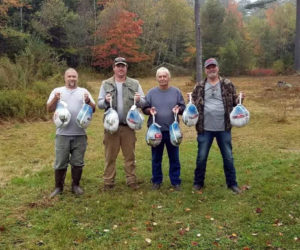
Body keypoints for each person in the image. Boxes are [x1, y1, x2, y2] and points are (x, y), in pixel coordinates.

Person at [192, 58, 244, 194]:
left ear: (218, 68)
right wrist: (189, 101)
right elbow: (192, 105)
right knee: (201, 156)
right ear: (205, 70)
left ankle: (232, 183)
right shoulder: (199, 86)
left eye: (213, 67)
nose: (211, 69)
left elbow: (234, 102)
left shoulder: (227, 84)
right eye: (208, 67)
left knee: (228, 156)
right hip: (204, 128)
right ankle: (198, 183)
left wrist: (240, 100)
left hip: (224, 128)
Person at [98, 57, 145, 190]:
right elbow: (99, 104)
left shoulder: (135, 83)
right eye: (118, 66)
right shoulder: (106, 84)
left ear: (126, 68)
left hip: (128, 126)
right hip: (111, 127)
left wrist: (139, 99)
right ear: (113, 68)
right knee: (110, 156)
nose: (120, 68)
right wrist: (106, 101)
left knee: (130, 156)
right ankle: (108, 181)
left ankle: (131, 180)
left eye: (123, 66)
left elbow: (144, 102)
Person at [47, 68, 96, 198]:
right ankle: (58, 187)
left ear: (77, 78)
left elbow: (93, 109)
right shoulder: (57, 91)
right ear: (65, 77)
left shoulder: (83, 92)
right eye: (69, 76)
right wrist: (55, 100)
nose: (72, 79)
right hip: (62, 134)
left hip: (80, 133)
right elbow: (49, 108)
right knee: (60, 162)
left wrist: (88, 101)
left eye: (74, 76)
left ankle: (76, 186)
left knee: (78, 162)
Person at [143, 67, 185, 191]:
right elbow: (144, 108)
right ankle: (156, 181)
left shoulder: (176, 92)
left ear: (169, 77)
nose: (162, 78)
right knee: (156, 158)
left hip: (172, 131)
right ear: (157, 78)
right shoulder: (151, 93)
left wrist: (179, 109)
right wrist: (149, 111)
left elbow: (183, 107)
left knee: (174, 158)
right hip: (155, 132)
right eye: (160, 76)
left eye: (164, 76)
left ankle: (175, 181)